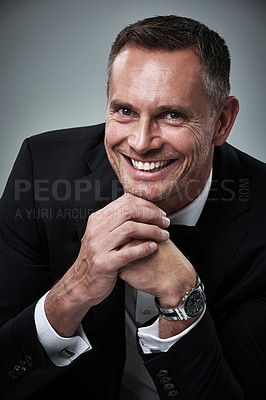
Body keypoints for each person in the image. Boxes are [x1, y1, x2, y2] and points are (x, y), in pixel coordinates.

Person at [0, 14, 265, 400]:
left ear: (222, 121)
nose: (141, 143)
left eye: (172, 115)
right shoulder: (41, 171)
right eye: (124, 111)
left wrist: (184, 300)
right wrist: (75, 289)